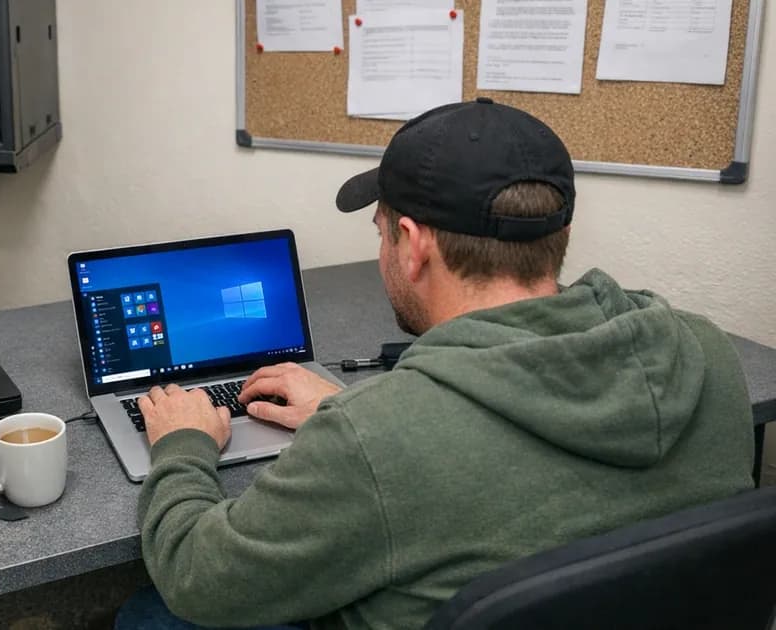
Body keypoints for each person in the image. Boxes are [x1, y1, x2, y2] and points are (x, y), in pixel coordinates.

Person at [116, 99, 755, 630]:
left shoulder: (374, 439)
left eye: (380, 231)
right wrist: (346, 412)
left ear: (414, 245)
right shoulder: (705, 354)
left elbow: (199, 577)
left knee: (149, 616)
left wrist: (183, 446)